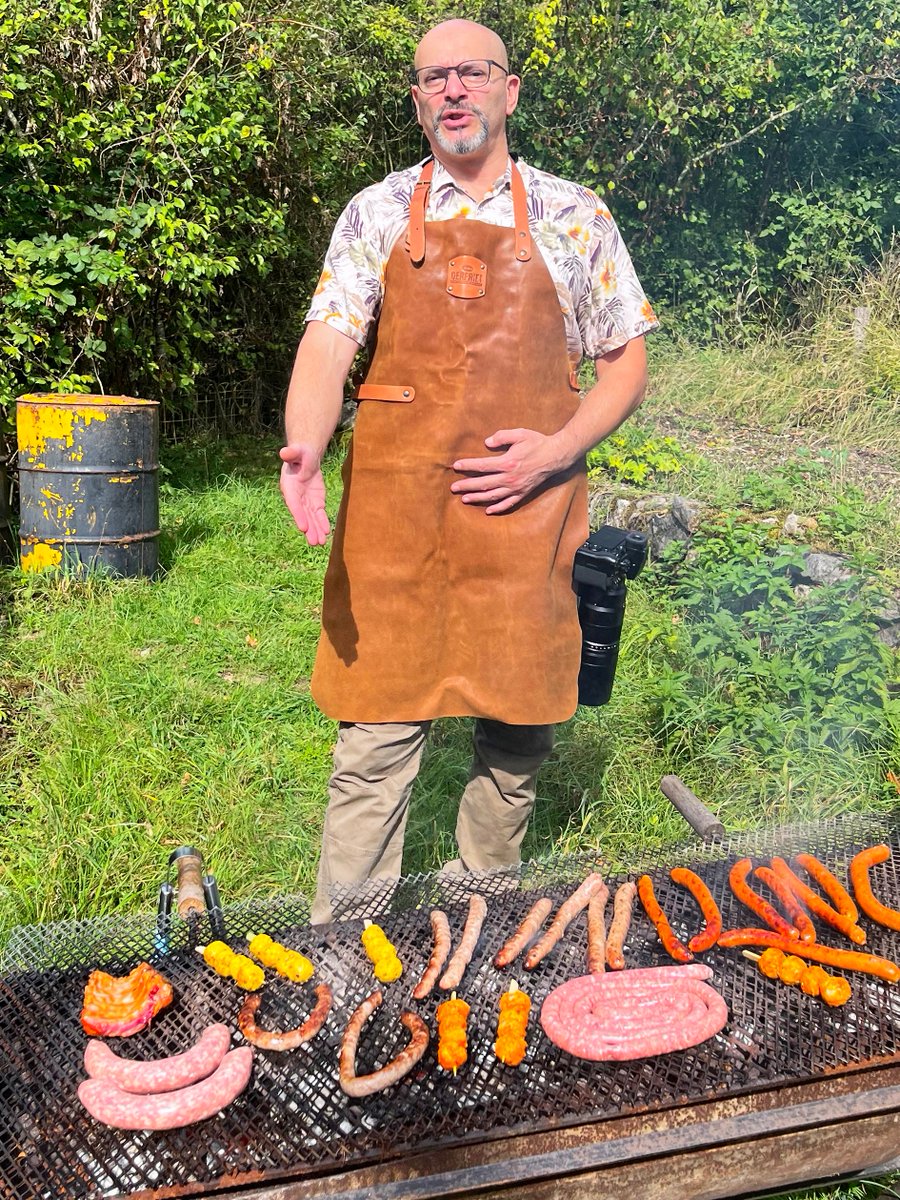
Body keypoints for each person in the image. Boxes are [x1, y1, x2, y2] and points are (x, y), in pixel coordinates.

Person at [279, 18, 658, 924]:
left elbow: (627, 360)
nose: (454, 90)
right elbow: (329, 342)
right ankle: (345, 938)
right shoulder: (373, 212)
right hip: (397, 512)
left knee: (520, 724)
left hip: (530, 508)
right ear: (417, 100)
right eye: (434, 77)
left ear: (508, 90)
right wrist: (306, 442)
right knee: (373, 726)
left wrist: (560, 451)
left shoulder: (575, 214)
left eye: (472, 73)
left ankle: (480, 917)